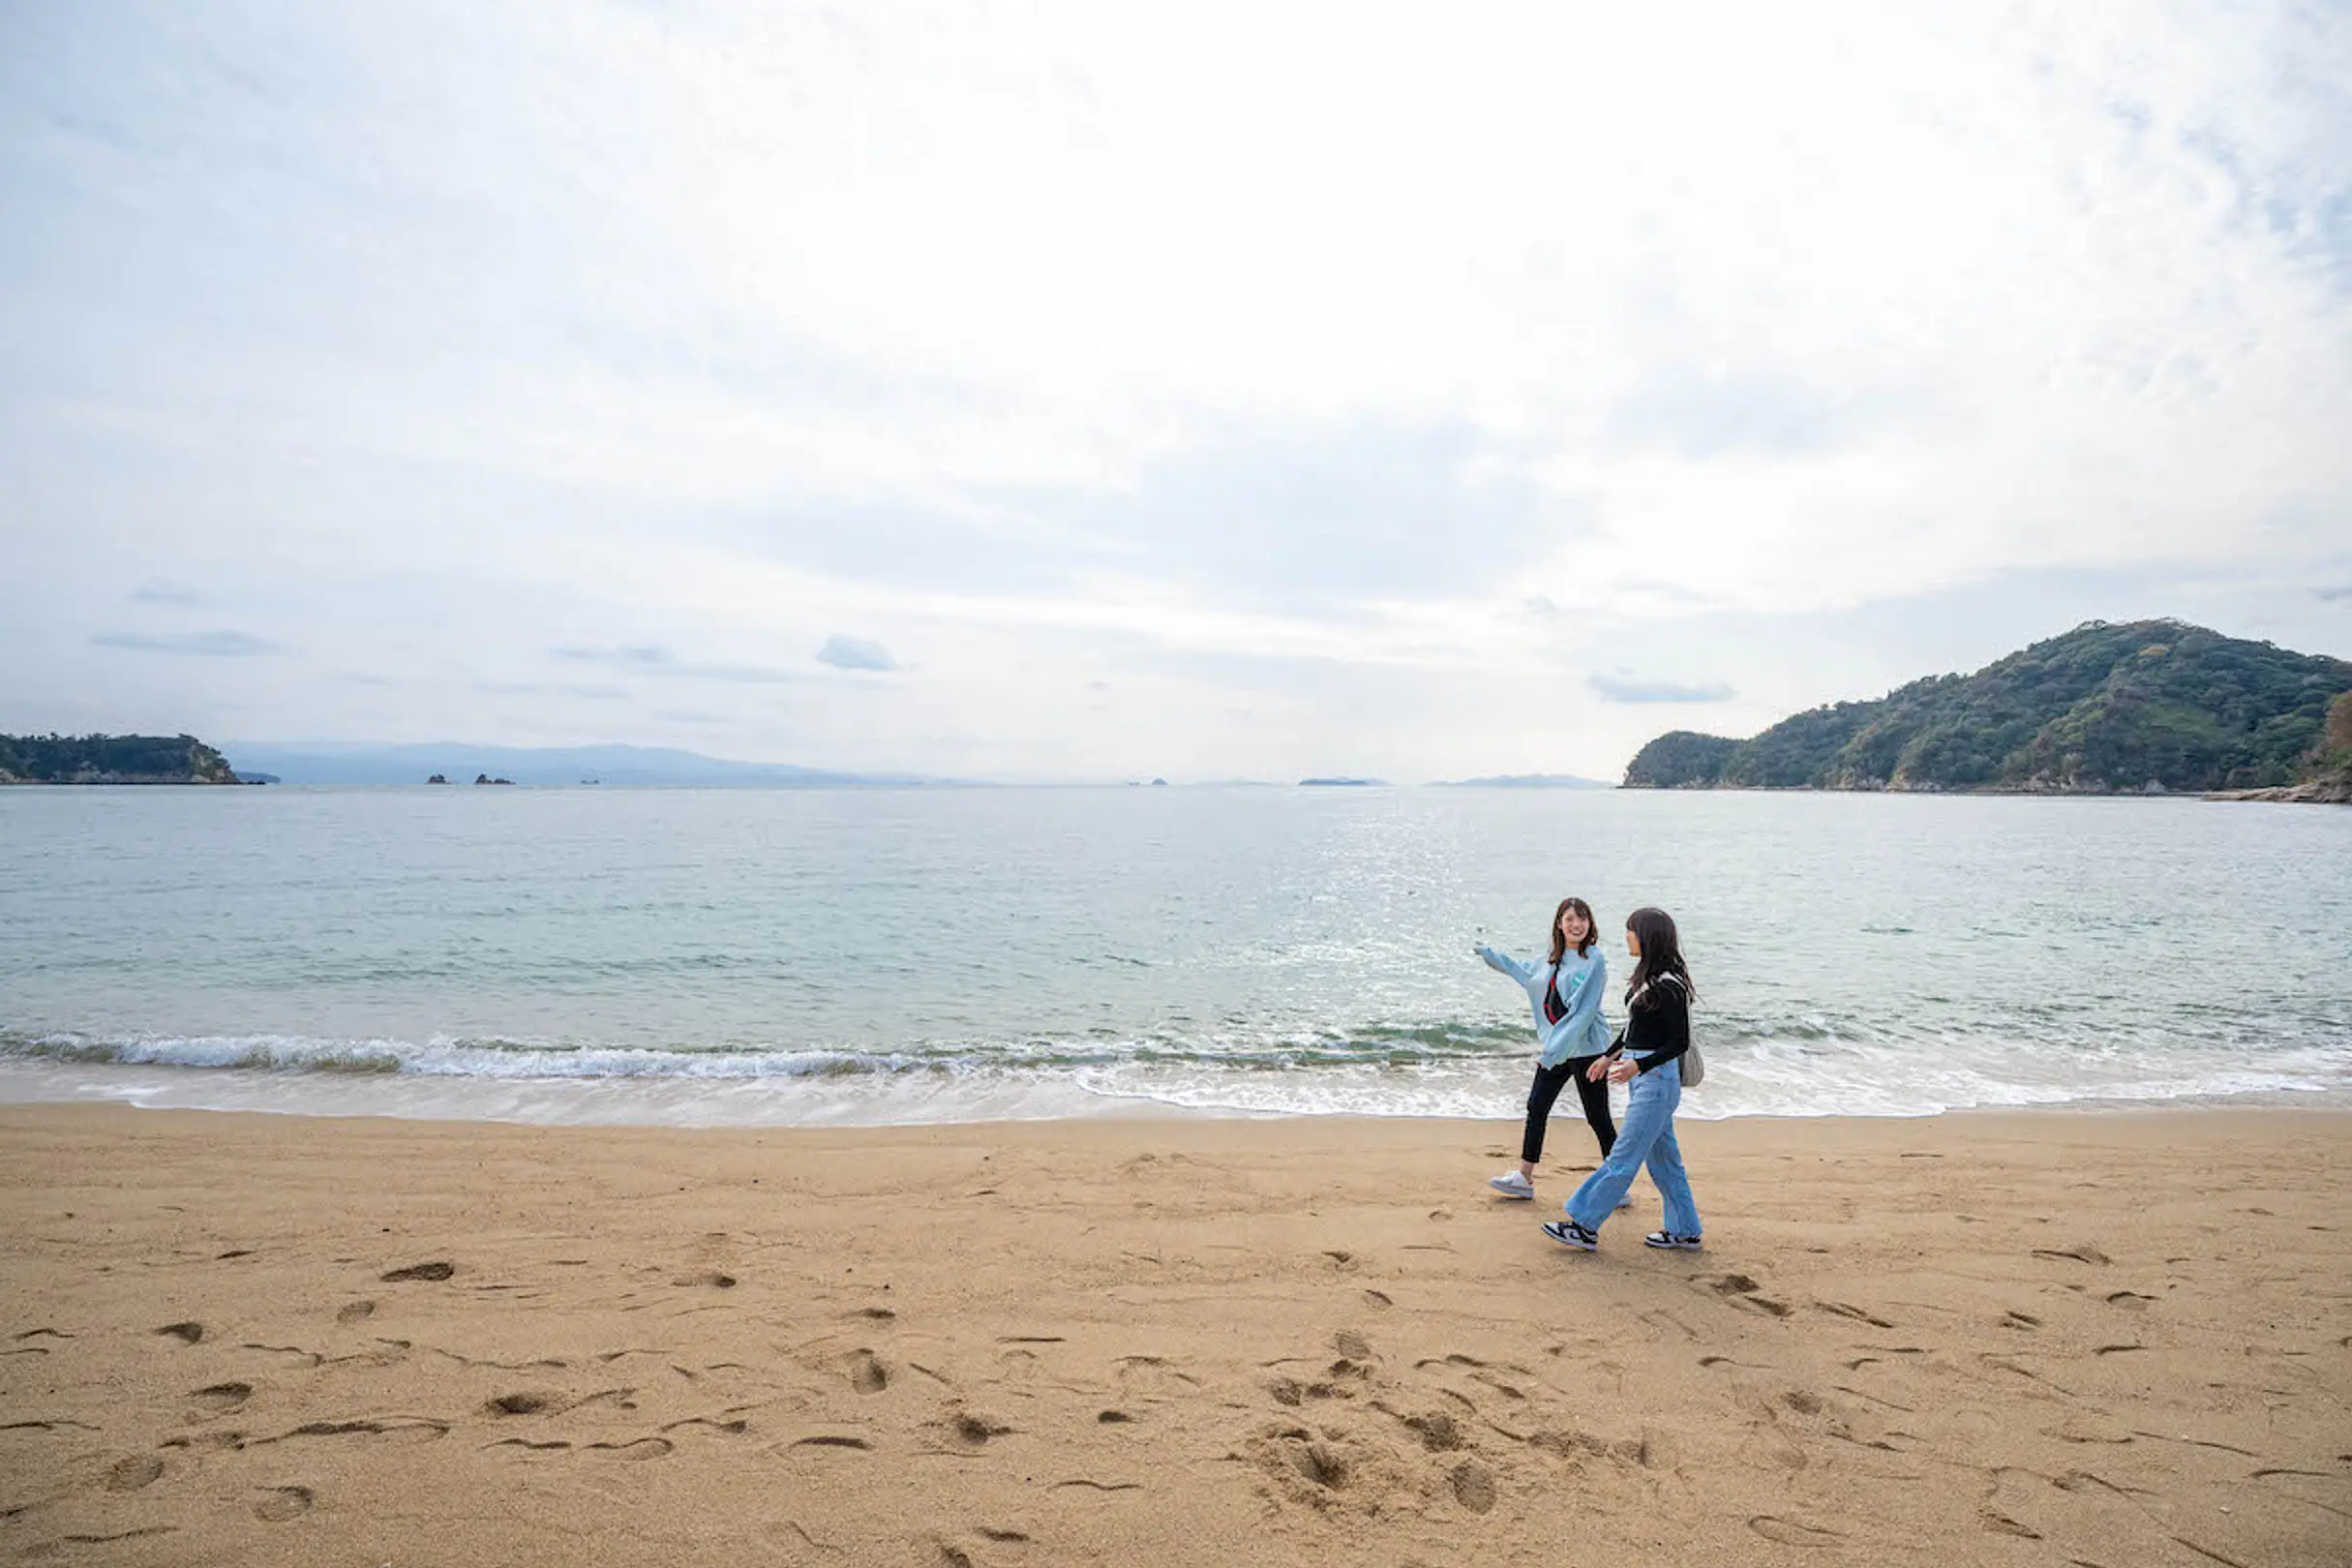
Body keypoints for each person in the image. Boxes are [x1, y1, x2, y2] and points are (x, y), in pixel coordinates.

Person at [1543, 906, 1703, 1252]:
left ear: (1646, 936)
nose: (1627, 936)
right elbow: (1633, 1032)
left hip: (1657, 1080)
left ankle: (1584, 1226)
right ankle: (1685, 1230)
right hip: (1644, 1078)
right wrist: (1607, 1057)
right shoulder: (1646, 978)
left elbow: (1680, 1042)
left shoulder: (1670, 985)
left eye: (1631, 931)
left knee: (1622, 1158)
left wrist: (1638, 1067)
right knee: (1665, 1162)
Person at [1473, 897, 1615, 1201]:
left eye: (1583, 919)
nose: (1577, 925)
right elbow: (1525, 973)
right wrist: (1490, 955)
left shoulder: (1594, 959)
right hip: (1557, 1048)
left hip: (1587, 1049)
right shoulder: (1550, 959)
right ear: (1559, 924)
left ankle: (1617, 1183)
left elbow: (1584, 1011)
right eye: (1570, 919)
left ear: (1590, 924)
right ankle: (1524, 1178)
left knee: (1598, 1117)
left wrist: (1554, 1051)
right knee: (1537, 1106)